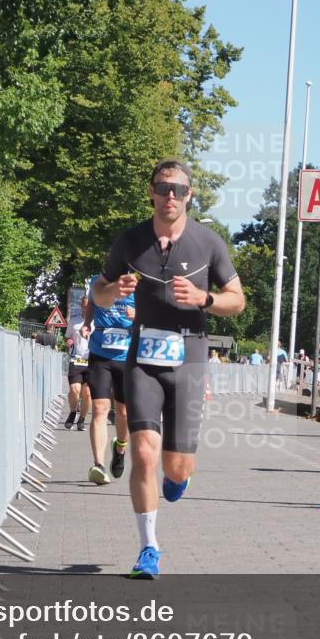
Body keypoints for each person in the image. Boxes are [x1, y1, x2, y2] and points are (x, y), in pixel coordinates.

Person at [92, 159, 245, 579]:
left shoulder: (208, 243)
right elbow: (99, 294)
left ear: (189, 195)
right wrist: (112, 289)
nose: (170, 196)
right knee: (143, 452)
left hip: (189, 358)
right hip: (142, 355)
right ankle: (148, 549)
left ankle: (179, 480)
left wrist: (205, 299)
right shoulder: (130, 241)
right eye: (163, 187)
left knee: (176, 468)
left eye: (178, 189)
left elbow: (238, 299)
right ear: (152, 192)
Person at [83, 275, 136, 485]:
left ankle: (120, 447)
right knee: (99, 409)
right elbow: (91, 305)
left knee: (123, 412)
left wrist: (138, 315)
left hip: (126, 356)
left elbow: (154, 314)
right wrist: (87, 323)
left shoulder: (137, 284)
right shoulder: (98, 282)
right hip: (100, 353)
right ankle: (98, 465)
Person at [64, 318, 91, 431]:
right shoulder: (74, 321)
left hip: (92, 361)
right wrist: (69, 342)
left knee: (87, 394)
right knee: (74, 389)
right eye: (84, 306)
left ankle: (82, 420)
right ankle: (73, 412)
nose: (86, 308)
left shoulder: (98, 321)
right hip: (76, 360)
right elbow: (67, 337)